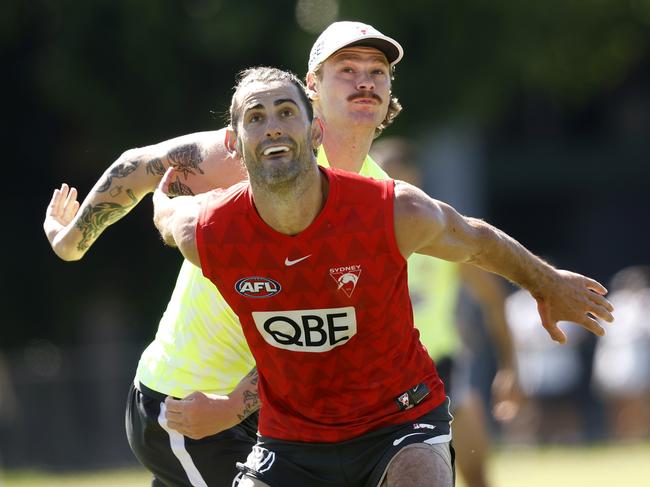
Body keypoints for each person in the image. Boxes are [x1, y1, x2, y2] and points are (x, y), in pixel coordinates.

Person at [152, 66, 613, 487]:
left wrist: (547, 283)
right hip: (291, 441)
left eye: (287, 111)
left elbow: (474, 238)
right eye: (255, 116)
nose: (272, 124)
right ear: (233, 143)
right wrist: (96, 229)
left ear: (315, 131)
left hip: (400, 421)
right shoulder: (209, 231)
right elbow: (168, 216)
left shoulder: (391, 209)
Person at [43, 20, 408, 487]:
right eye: (347, 69)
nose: (364, 81)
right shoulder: (258, 154)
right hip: (186, 406)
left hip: (257, 417)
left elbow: (327, 334)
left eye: (377, 71)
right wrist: (69, 243)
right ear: (312, 87)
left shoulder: (380, 196)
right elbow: (137, 167)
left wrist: (240, 403)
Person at [371, 136, 521, 487]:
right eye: (384, 179)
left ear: (416, 180)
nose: (393, 191)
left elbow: (493, 297)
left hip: (441, 366)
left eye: (401, 180)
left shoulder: (439, 236)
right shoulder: (360, 239)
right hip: (381, 372)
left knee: (476, 471)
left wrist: (510, 367)